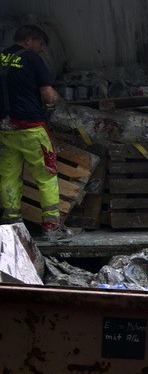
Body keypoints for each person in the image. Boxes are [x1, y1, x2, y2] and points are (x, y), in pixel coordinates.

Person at [0, 24, 72, 242]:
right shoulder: (32, 59)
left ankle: (11, 223)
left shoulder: (2, 57)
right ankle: (51, 227)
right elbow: (49, 96)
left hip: (5, 129)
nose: (42, 49)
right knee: (46, 175)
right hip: (31, 128)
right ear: (29, 39)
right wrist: (60, 103)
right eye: (40, 43)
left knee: (8, 176)